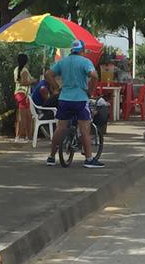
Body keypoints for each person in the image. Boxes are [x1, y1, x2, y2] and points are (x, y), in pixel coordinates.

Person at [44, 40, 104, 168]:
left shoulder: (63, 62)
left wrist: (56, 86)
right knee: (84, 130)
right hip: (80, 100)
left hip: (64, 99)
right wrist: (90, 91)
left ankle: (51, 157)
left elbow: (48, 74)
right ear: (82, 51)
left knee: (60, 128)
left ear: (72, 50)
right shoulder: (85, 62)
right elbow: (94, 75)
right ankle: (88, 159)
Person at [14, 54, 38, 143]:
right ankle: (18, 136)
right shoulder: (24, 71)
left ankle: (29, 136)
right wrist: (33, 81)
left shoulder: (17, 69)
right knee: (22, 116)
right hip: (22, 94)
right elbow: (23, 82)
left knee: (28, 116)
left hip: (22, 94)